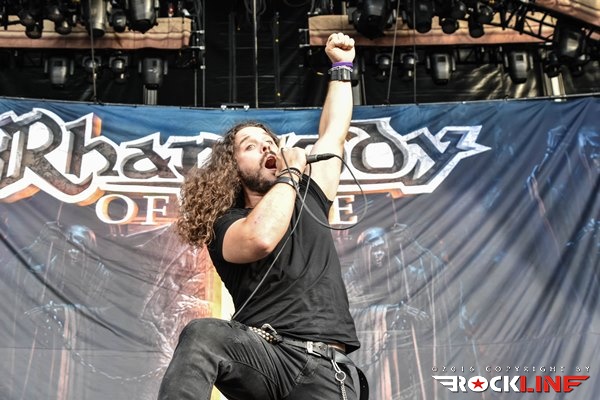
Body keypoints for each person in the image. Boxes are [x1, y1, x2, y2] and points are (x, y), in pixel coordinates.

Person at [157, 32, 367, 400]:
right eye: (251, 146)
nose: (267, 148)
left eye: (270, 143)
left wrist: (341, 66)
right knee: (203, 334)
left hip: (324, 368)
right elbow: (260, 238)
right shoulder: (226, 223)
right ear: (233, 167)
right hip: (264, 357)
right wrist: (291, 173)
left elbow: (334, 133)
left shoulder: (309, 195)